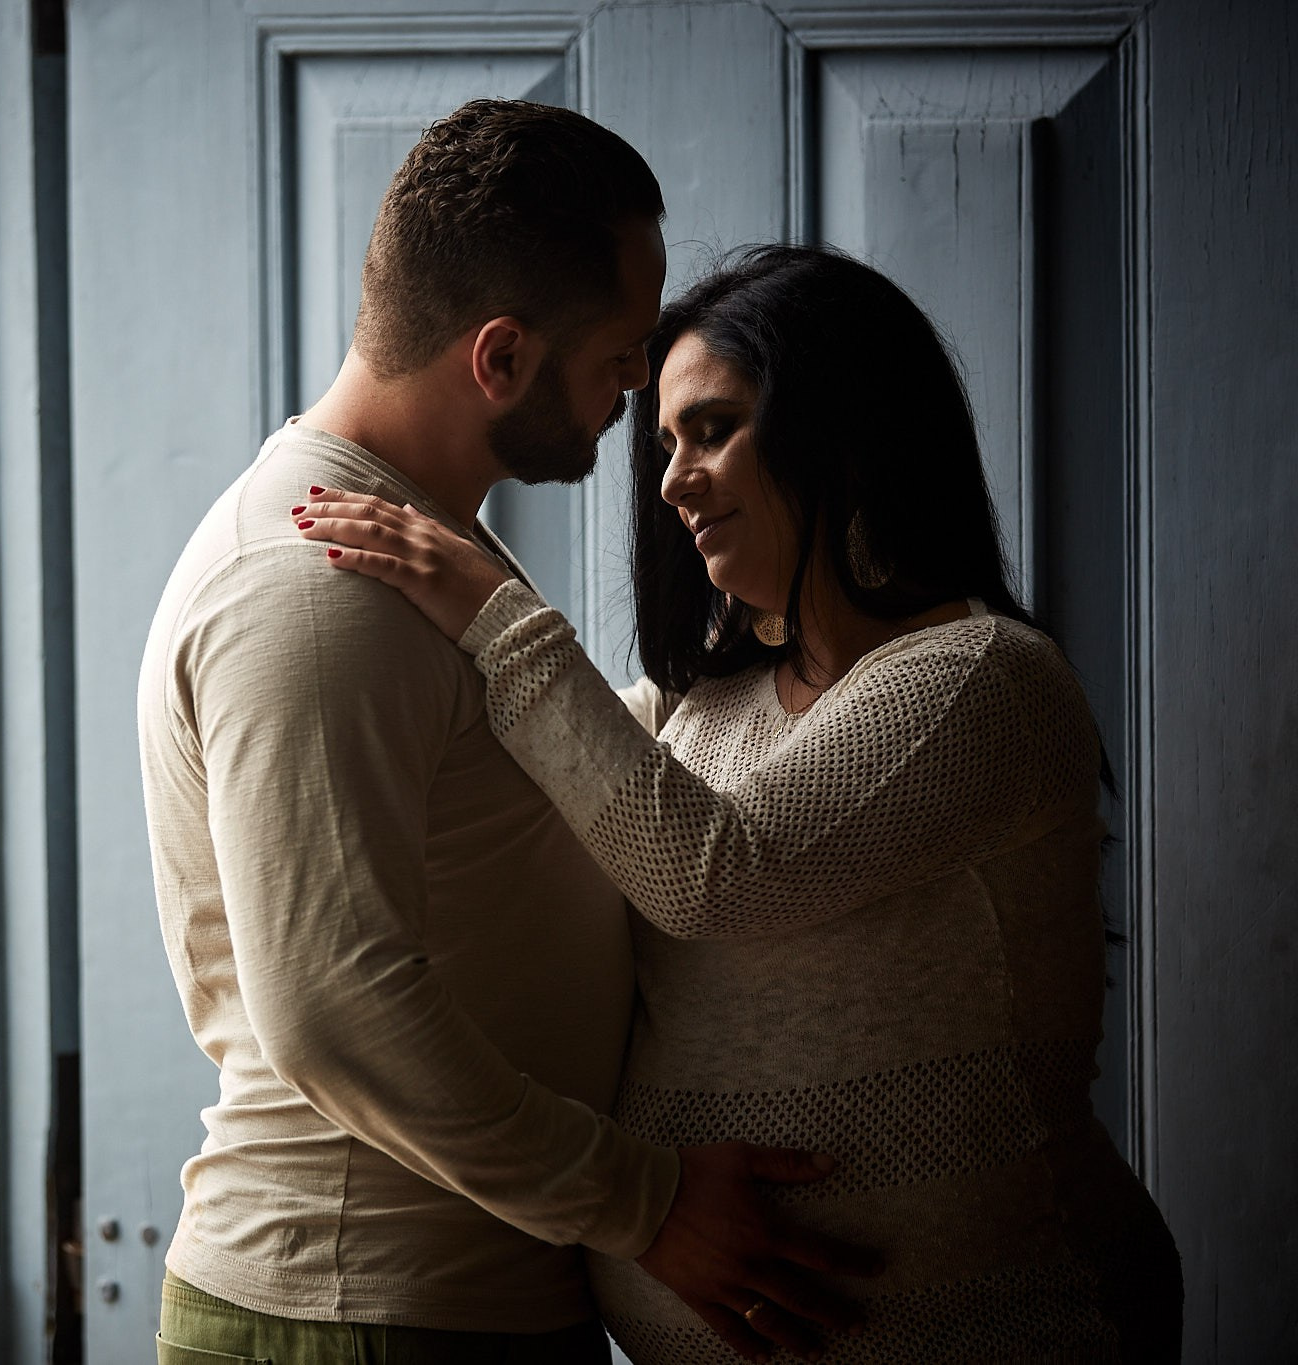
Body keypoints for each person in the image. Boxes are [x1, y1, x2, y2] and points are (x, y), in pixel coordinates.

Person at [293, 243, 1184, 1363]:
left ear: (842, 426)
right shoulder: (700, 701)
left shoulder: (979, 679)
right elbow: (531, 776)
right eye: (663, 443)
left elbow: (713, 871)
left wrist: (487, 604)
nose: (668, 481)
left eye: (711, 429)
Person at [139, 102, 879, 1365]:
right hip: (359, 1313)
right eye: (619, 350)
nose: (638, 382)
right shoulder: (314, 587)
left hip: (447, 1305)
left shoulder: (423, 546)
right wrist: (643, 1207)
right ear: (497, 358)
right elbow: (331, 1010)